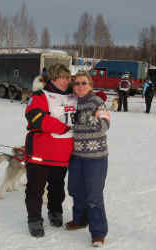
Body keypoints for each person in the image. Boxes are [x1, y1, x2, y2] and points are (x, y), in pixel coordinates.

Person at [24, 63, 77, 237]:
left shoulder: (73, 96)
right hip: (40, 152)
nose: (64, 81)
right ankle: (34, 219)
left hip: (62, 153)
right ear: (52, 78)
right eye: (61, 77)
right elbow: (35, 117)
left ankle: (55, 211)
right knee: (35, 188)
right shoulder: (40, 95)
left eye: (67, 77)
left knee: (57, 186)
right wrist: (60, 127)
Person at [65, 71, 110, 247]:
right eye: (77, 83)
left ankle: (98, 232)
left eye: (84, 83)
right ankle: (80, 220)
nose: (80, 86)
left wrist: (84, 118)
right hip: (76, 156)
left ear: (90, 85)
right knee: (75, 189)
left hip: (95, 157)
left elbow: (104, 126)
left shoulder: (97, 102)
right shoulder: (71, 101)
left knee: (94, 195)